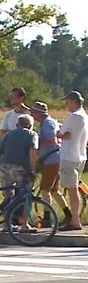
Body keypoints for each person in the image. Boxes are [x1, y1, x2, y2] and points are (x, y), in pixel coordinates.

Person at [0, 114, 39, 232]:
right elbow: (33, 151)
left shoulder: (8, 135)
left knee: (8, 195)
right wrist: (33, 170)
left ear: (17, 125)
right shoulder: (32, 134)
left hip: (5, 168)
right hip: (21, 169)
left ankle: (7, 224)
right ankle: (24, 225)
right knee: (27, 195)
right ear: (30, 126)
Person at [30, 102, 72, 225]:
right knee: (54, 191)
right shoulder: (51, 121)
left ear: (39, 114)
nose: (32, 115)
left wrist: (38, 144)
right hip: (56, 159)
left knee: (45, 189)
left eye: (33, 113)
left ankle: (48, 218)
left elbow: (52, 141)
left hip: (51, 161)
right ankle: (68, 214)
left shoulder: (47, 124)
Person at [58, 91, 88, 231]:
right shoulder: (84, 116)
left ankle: (75, 220)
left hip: (70, 156)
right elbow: (66, 134)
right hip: (80, 156)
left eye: (68, 101)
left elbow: (60, 134)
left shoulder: (74, 116)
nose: (66, 104)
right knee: (74, 188)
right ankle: (76, 219)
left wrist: (61, 132)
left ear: (75, 102)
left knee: (72, 189)